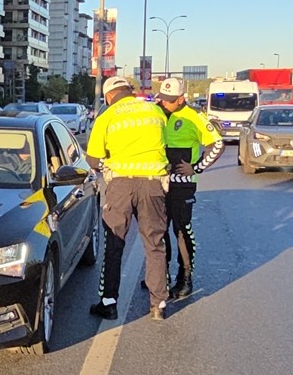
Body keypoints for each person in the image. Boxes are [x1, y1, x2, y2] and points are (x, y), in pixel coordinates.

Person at [86, 76, 171, 321]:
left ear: (109, 96)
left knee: (114, 245)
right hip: (153, 185)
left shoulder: (108, 116)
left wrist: (109, 164)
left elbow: (93, 159)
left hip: (121, 186)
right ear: (130, 91)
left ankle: (109, 303)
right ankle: (159, 304)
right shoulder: (155, 111)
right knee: (155, 244)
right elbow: (166, 144)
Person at [155, 78, 223, 300]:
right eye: (162, 99)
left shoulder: (195, 117)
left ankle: (185, 278)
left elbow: (218, 144)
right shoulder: (156, 113)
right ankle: (159, 276)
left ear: (181, 99)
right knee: (158, 230)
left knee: (181, 230)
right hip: (158, 181)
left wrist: (197, 167)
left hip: (182, 185)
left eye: (169, 101)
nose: (164, 104)